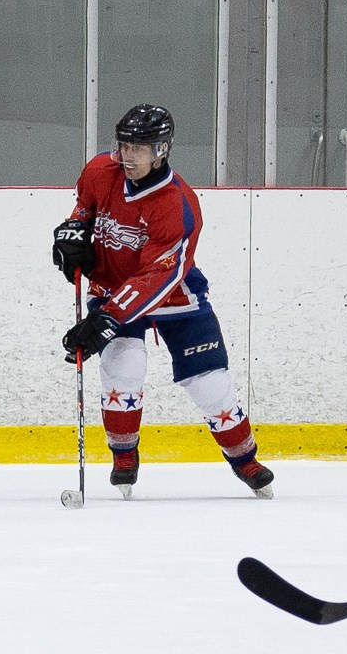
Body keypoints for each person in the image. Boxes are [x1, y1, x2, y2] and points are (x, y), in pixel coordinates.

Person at [54, 103, 273, 499]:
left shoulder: (177, 203)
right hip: (114, 286)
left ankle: (245, 459)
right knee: (123, 367)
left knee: (210, 385)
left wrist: (106, 319)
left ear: (162, 150)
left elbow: (161, 275)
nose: (127, 155)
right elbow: (85, 209)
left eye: (139, 148)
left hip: (174, 294)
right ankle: (124, 456)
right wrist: (72, 234)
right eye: (123, 145)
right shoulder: (99, 171)